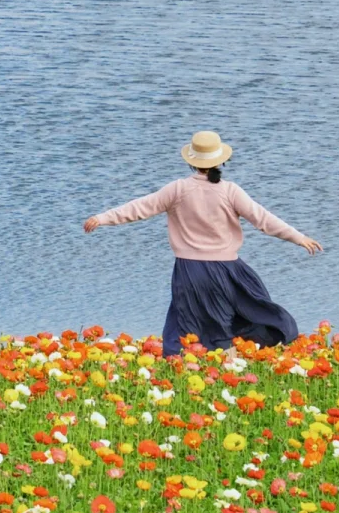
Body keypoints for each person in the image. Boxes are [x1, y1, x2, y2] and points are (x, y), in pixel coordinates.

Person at [83, 130, 323, 360]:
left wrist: (102, 218)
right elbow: (263, 219)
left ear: (191, 161)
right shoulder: (230, 191)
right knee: (246, 314)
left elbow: (138, 208)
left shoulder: (177, 189)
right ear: (221, 161)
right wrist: (299, 237)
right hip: (227, 270)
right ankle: (230, 361)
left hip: (189, 271)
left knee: (186, 324)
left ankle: (189, 368)